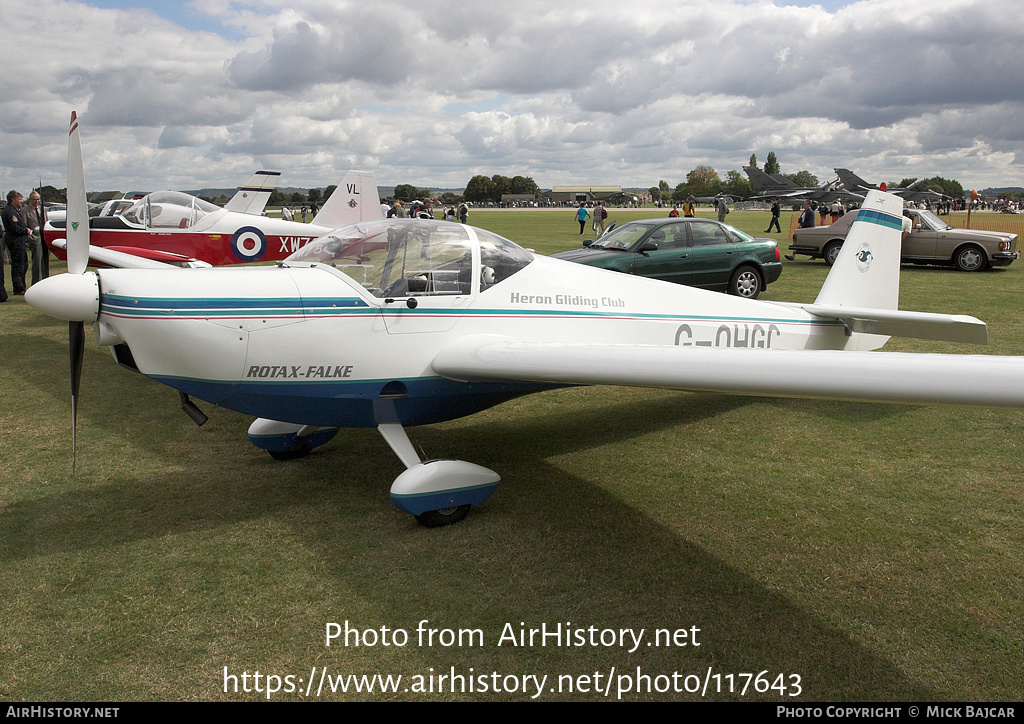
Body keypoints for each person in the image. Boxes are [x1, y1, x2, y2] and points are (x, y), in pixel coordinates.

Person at [2, 191, 29, 294]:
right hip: (15, 241)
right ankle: (18, 287)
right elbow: (15, 227)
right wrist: (25, 230)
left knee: (23, 264)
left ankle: (21, 285)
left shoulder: (14, 211)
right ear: (13, 200)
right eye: (19, 199)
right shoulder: (10, 212)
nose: (21, 201)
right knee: (18, 264)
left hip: (19, 241)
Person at [22, 191, 48, 284]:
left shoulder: (43, 209)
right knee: (36, 264)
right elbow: (24, 226)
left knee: (45, 263)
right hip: (35, 240)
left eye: (38, 199)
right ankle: (36, 283)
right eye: (35, 199)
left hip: (45, 239)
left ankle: (45, 282)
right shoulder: (25, 210)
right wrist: (31, 238)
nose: (37, 201)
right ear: (30, 200)